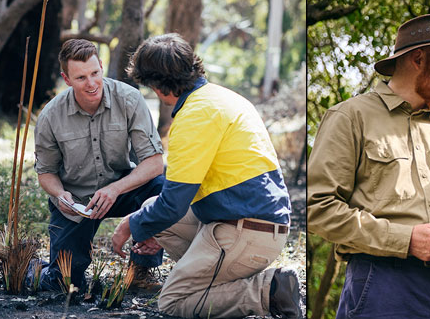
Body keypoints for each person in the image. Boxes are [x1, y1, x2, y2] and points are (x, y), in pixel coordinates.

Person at [306, 13, 430, 319]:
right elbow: (316, 207)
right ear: (418, 59)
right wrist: (405, 240)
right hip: (382, 283)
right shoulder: (350, 117)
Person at [105, 34, 299, 317]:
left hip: (246, 231)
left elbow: (173, 204)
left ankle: (267, 290)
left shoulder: (195, 115)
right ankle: (212, 278)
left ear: (157, 87)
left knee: (172, 302)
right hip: (257, 225)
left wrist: (130, 226)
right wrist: (148, 228)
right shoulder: (224, 97)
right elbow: (174, 203)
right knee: (150, 210)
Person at [29, 38, 166, 294]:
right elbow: (46, 173)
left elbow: (155, 163)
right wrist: (60, 195)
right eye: (81, 78)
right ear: (67, 79)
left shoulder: (129, 99)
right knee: (64, 284)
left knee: (160, 187)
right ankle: (35, 268)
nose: (91, 84)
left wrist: (114, 189)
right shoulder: (50, 116)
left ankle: (141, 270)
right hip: (77, 200)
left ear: (102, 66)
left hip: (123, 189)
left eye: (95, 73)